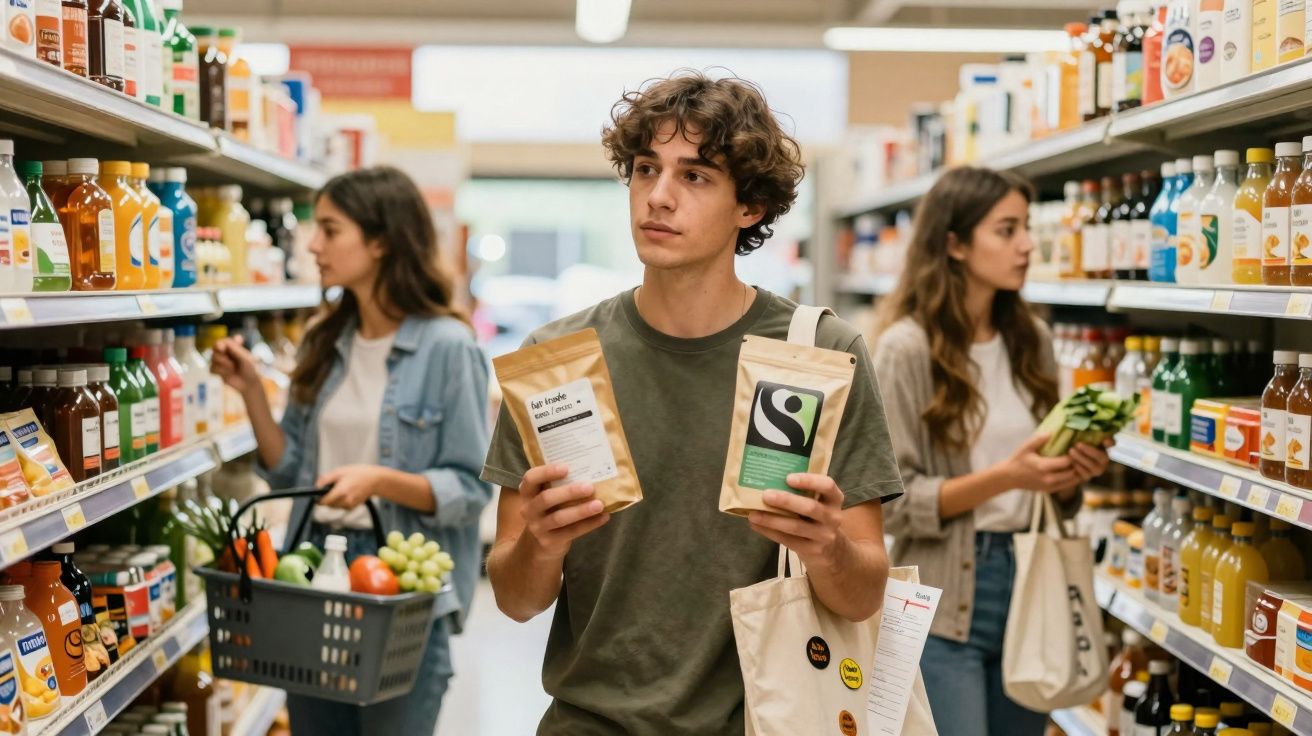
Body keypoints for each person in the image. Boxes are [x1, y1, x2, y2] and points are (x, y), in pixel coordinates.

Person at [482, 71, 904, 734]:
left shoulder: (817, 352)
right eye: (646, 169)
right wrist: (538, 542)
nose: (658, 196)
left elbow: (862, 595)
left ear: (750, 207)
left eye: (695, 176)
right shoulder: (557, 361)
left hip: (763, 721)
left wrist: (827, 549)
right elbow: (513, 599)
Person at [210, 166, 490, 736]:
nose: (313, 244)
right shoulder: (324, 339)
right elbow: (290, 469)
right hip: (314, 568)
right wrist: (252, 397)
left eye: (331, 230)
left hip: (397, 580)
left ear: (382, 241)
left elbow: (470, 488)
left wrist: (378, 480)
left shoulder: (448, 348)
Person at [869, 166, 1112, 736]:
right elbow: (890, 500)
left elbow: (1048, 488)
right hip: (937, 595)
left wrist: (1070, 474)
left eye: (1026, 227)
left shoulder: (1034, 341)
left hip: (1029, 579)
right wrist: (1010, 476)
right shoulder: (907, 350)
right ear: (953, 244)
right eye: (1007, 230)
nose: (1028, 244)